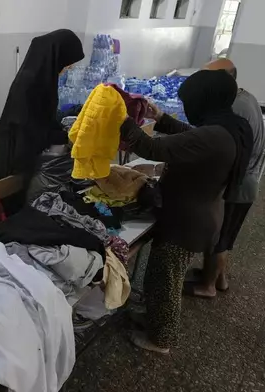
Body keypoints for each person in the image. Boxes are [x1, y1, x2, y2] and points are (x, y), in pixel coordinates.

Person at [119, 69, 253, 354]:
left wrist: (120, 118)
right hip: (201, 213)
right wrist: (162, 119)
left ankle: (160, 340)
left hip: (188, 220)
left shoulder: (215, 135)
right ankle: (153, 319)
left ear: (204, 100)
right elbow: (193, 136)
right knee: (160, 275)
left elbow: (151, 147)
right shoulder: (231, 126)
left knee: (166, 281)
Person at [187, 59, 265, 298]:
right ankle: (218, 279)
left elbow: (218, 145)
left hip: (239, 183)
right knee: (225, 233)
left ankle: (207, 286)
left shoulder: (235, 108)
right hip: (247, 179)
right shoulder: (245, 97)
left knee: (218, 237)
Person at [0, 29, 84, 210]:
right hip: (14, 150)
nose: (69, 68)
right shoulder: (30, 81)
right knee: (11, 202)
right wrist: (62, 137)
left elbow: (43, 116)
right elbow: (29, 127)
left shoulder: (43, 78)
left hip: (24, 145)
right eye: (68, 62)